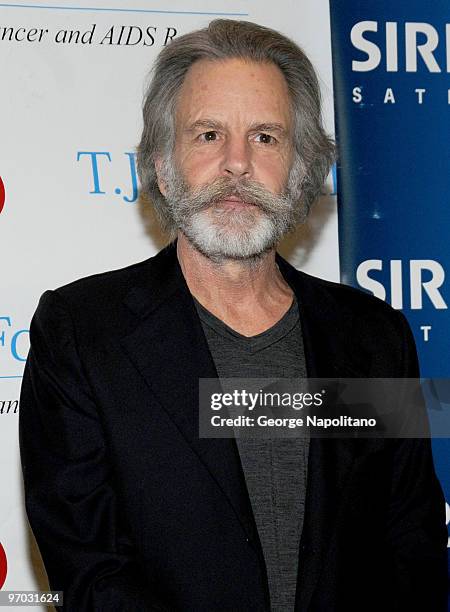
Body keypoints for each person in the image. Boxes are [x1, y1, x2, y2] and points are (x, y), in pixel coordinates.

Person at [19, 19, 447, 612]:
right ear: (164, 166)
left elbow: (412, 548)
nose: (237, 164)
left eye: (266, 137)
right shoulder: (82, 333)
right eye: (208, 134)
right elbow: (90, 571)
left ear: (301, 169)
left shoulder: (375, 337)